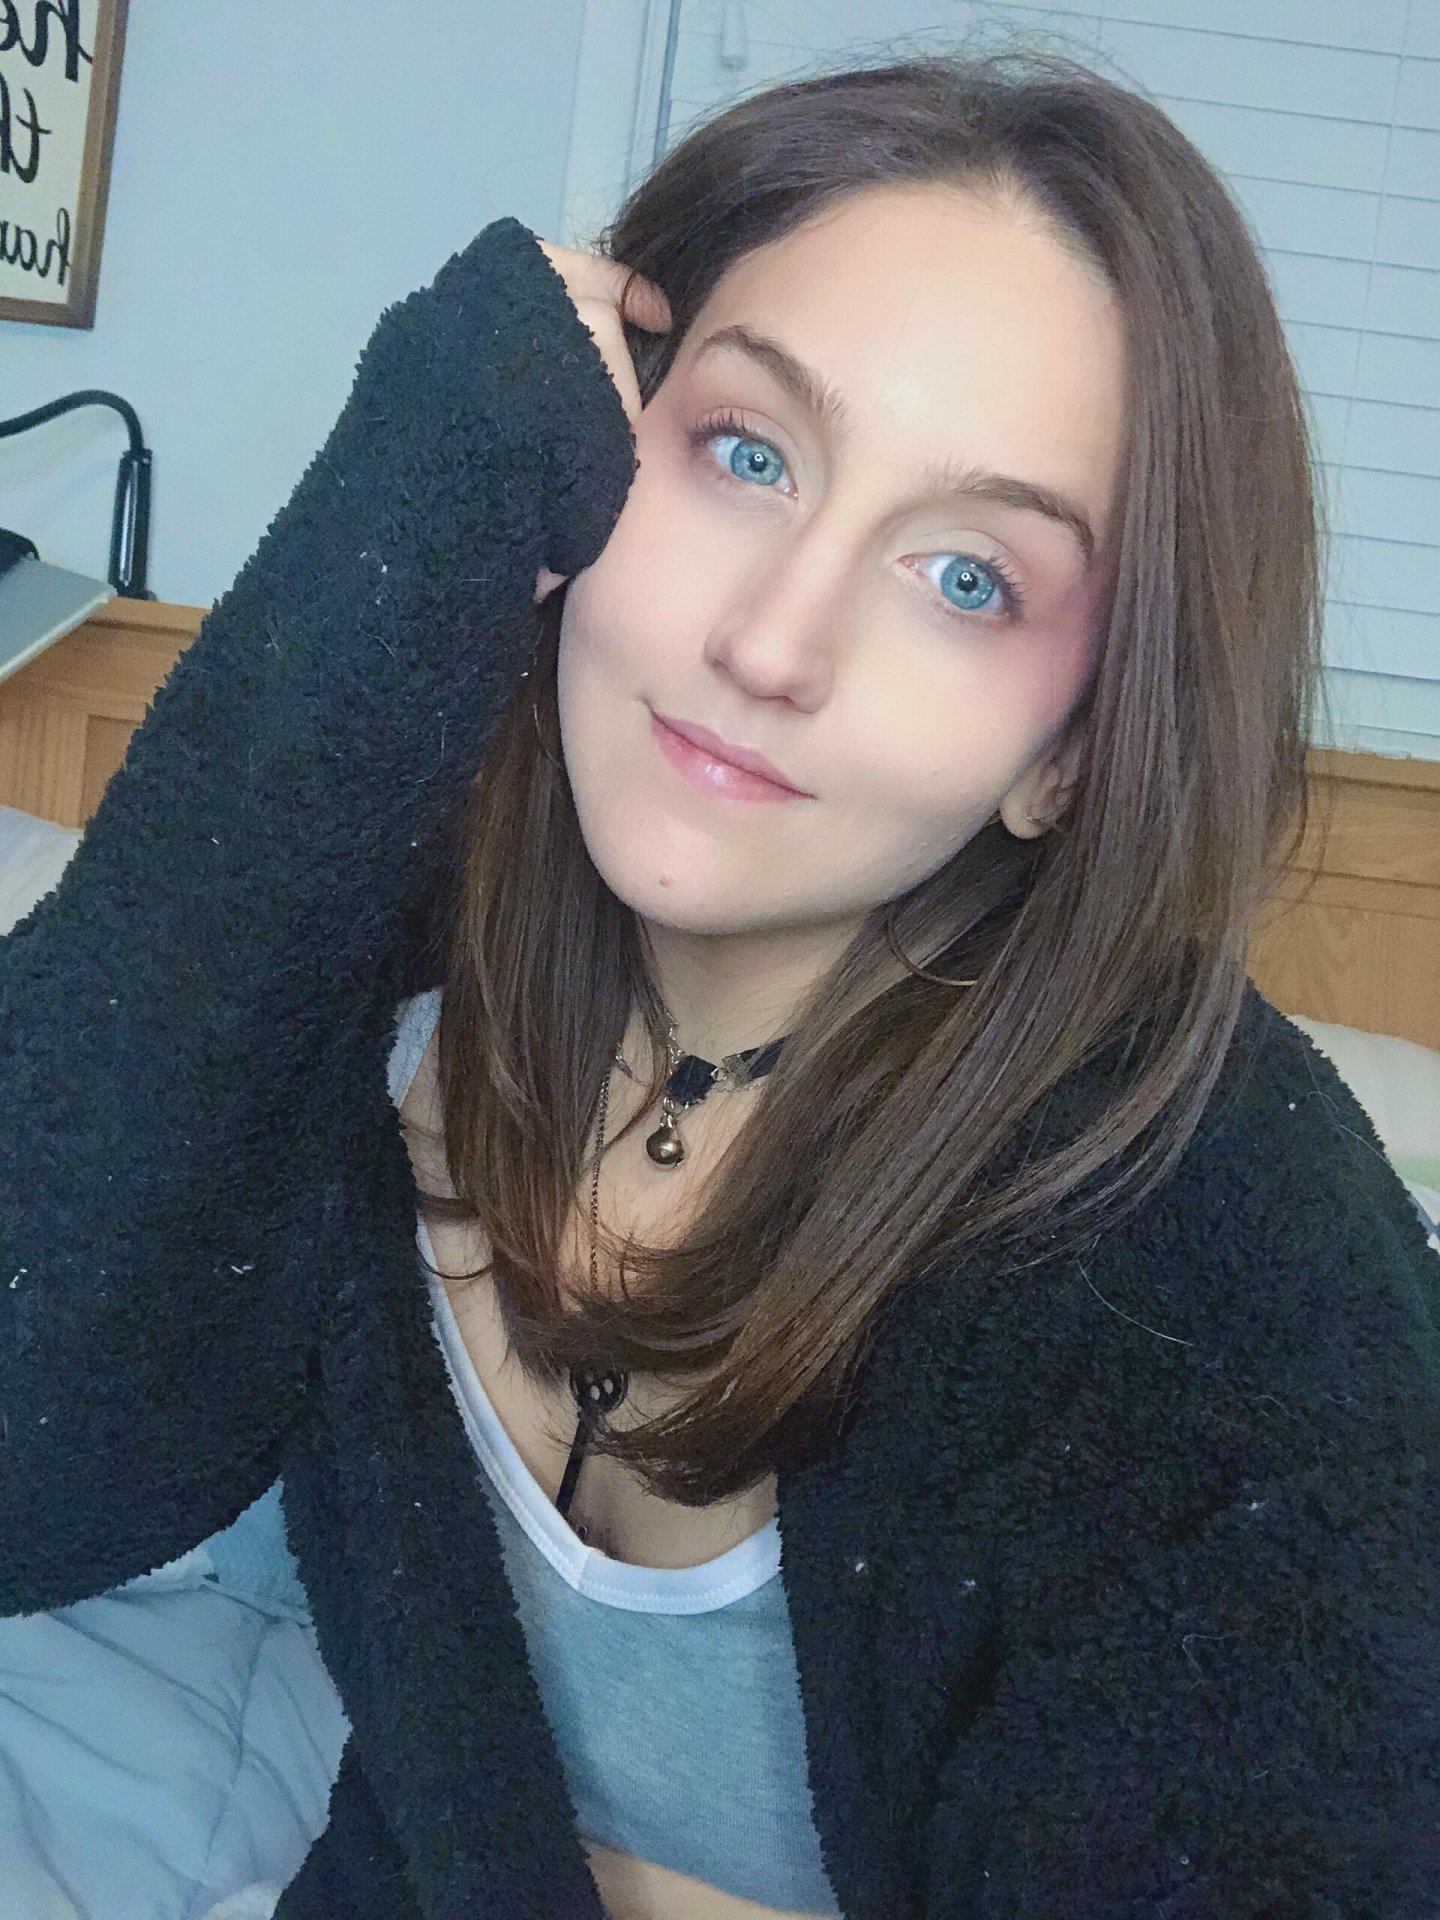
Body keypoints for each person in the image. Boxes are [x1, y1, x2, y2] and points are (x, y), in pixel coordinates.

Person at [3, 43, 1438, 1920]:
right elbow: (33, 1456)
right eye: (748, 455)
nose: (774, 642)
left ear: (1068, 757)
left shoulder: (1221, 1245)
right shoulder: (381, 940)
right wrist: (405, 512)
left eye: (968, 579)